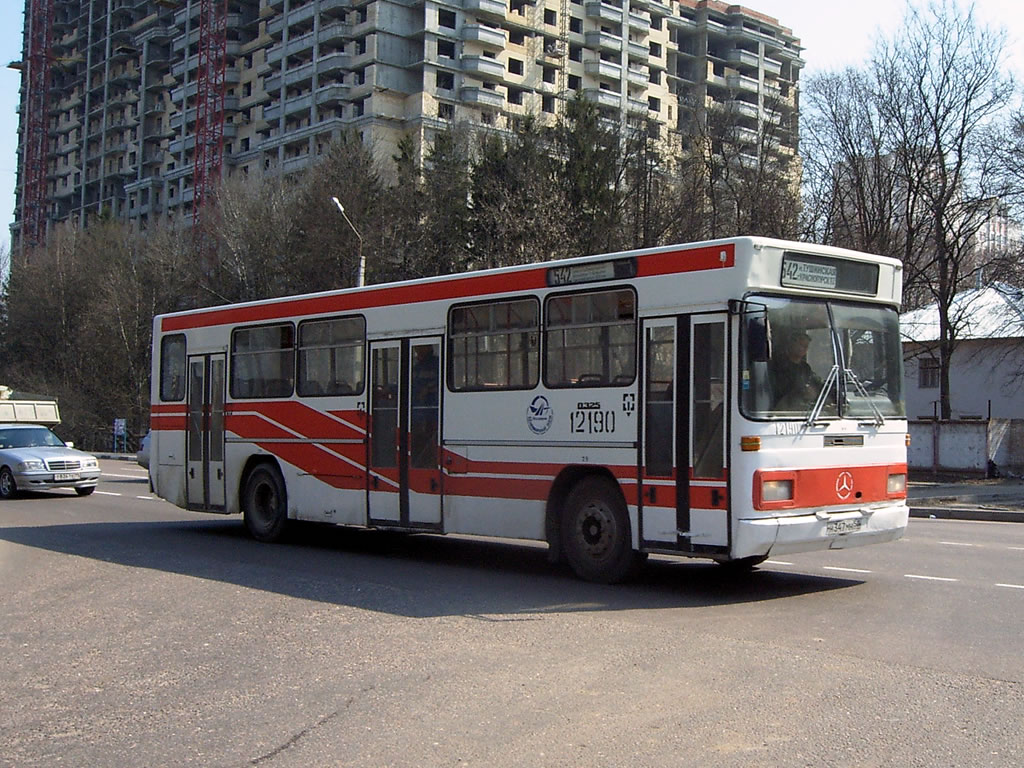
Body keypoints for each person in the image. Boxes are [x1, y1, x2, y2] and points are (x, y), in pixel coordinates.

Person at [770, 329, 823, 410]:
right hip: (782, 410)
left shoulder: (805, 368)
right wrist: (801, 391)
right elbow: (779, 389)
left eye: (806, 346)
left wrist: (814, 391)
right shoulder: (778, 364)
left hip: (803, 410)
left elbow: (816, 383)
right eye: (801, 345)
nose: (803, 348)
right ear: (791, 344)